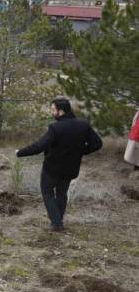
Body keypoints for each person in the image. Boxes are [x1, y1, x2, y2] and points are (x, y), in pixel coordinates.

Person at [16, 98, 102, 232]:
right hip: (71, 168)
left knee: (47, 193)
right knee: (62, 193)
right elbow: (97, 144)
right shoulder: (83, 125)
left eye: (53, 110)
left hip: (52, 169)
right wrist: (81, 151)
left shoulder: (55, 128)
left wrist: (20, 153)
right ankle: (58, 220)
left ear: (60, 112)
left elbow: (39, 146)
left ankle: (57, 223)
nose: (51, 112)